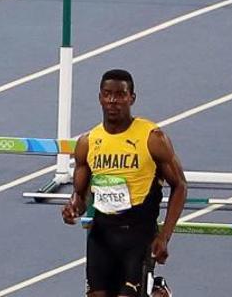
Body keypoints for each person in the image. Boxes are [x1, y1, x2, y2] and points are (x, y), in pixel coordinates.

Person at [62, 69, 187, 297]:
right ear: (100, 96)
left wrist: (164, 236)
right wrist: (72, 208)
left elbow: (179, 185)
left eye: (120, 95)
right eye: (108, 94)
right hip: (101, 234)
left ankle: (154, 289)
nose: (113, 101)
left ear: (132, 98)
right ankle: (155, 291)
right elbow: (80, 196)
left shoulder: (152, 138)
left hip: (138, 234)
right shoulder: (87, 143)